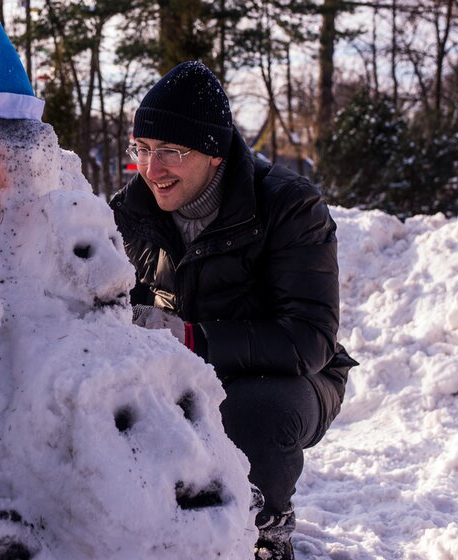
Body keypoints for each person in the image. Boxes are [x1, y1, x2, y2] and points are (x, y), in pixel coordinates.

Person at [109, 61, 358, 560]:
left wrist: (188, 337)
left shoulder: (289, 207)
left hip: (290, 378)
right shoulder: (128, 212)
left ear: (214, 153)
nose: (152, 169)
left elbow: (308, 338)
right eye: (143, 149)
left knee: (249, 410)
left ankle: (262, 532)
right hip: (180, 368)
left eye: (171, 151)